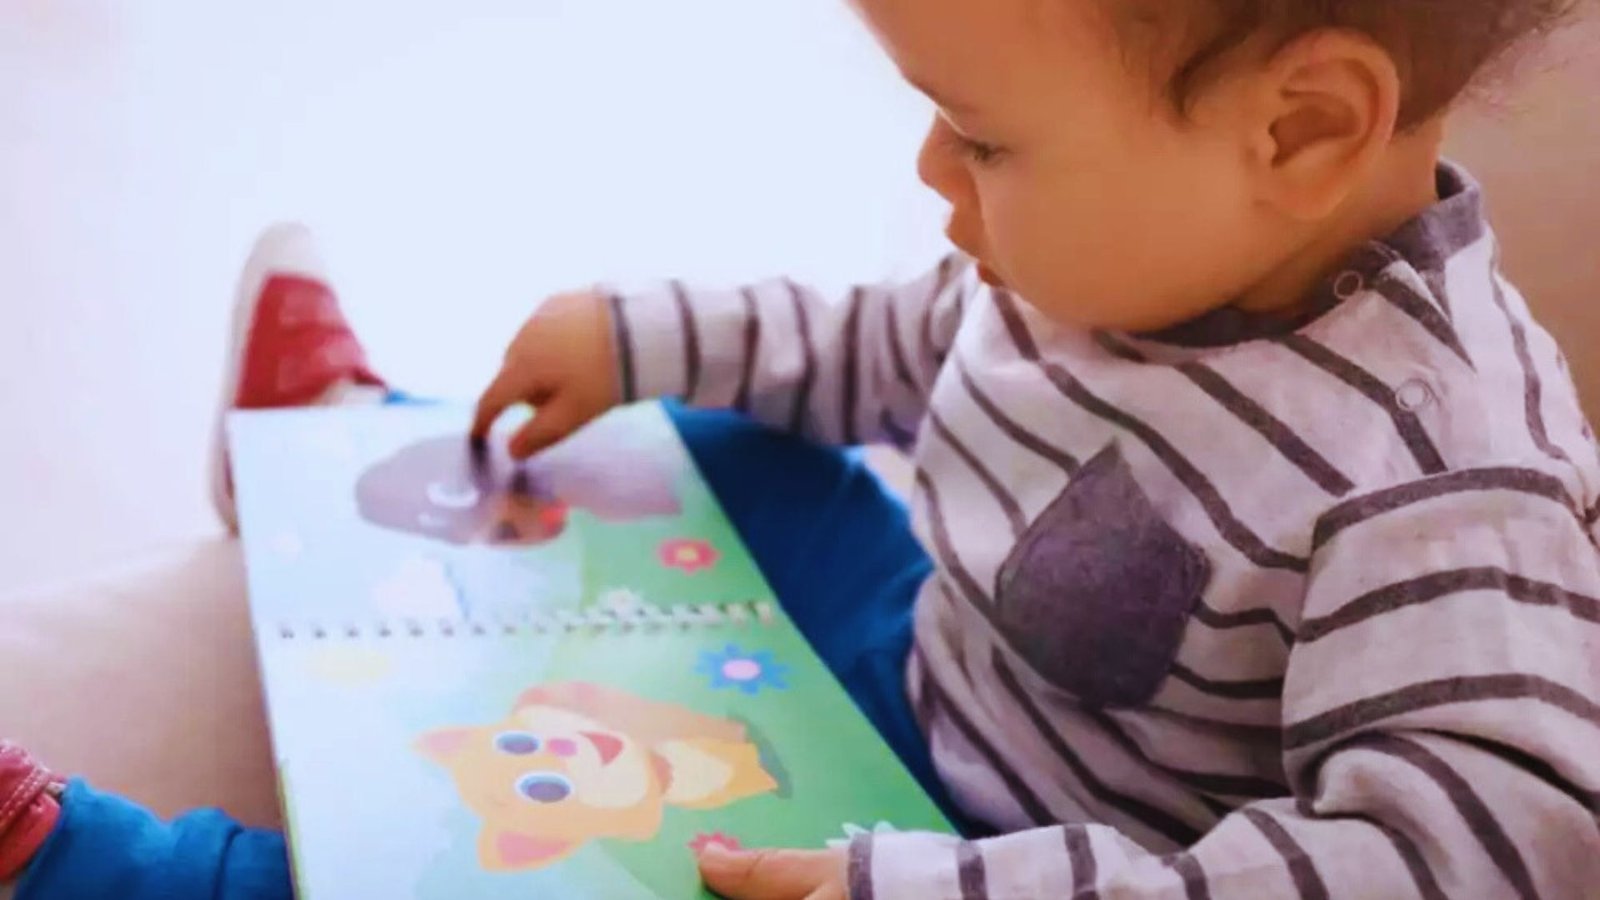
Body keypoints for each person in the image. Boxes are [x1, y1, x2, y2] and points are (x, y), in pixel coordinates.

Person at [5, 0, 1598, 896]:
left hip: (1013, 848)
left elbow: (1463, 864)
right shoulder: (1146, 250)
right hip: (918, 644)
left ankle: (88, 860)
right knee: (718, 445)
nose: (932, 170)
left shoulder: (1445, 491)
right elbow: (899, 347)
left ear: (1302, 129)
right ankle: (350, 442)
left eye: (981, 138)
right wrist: (650, 336)